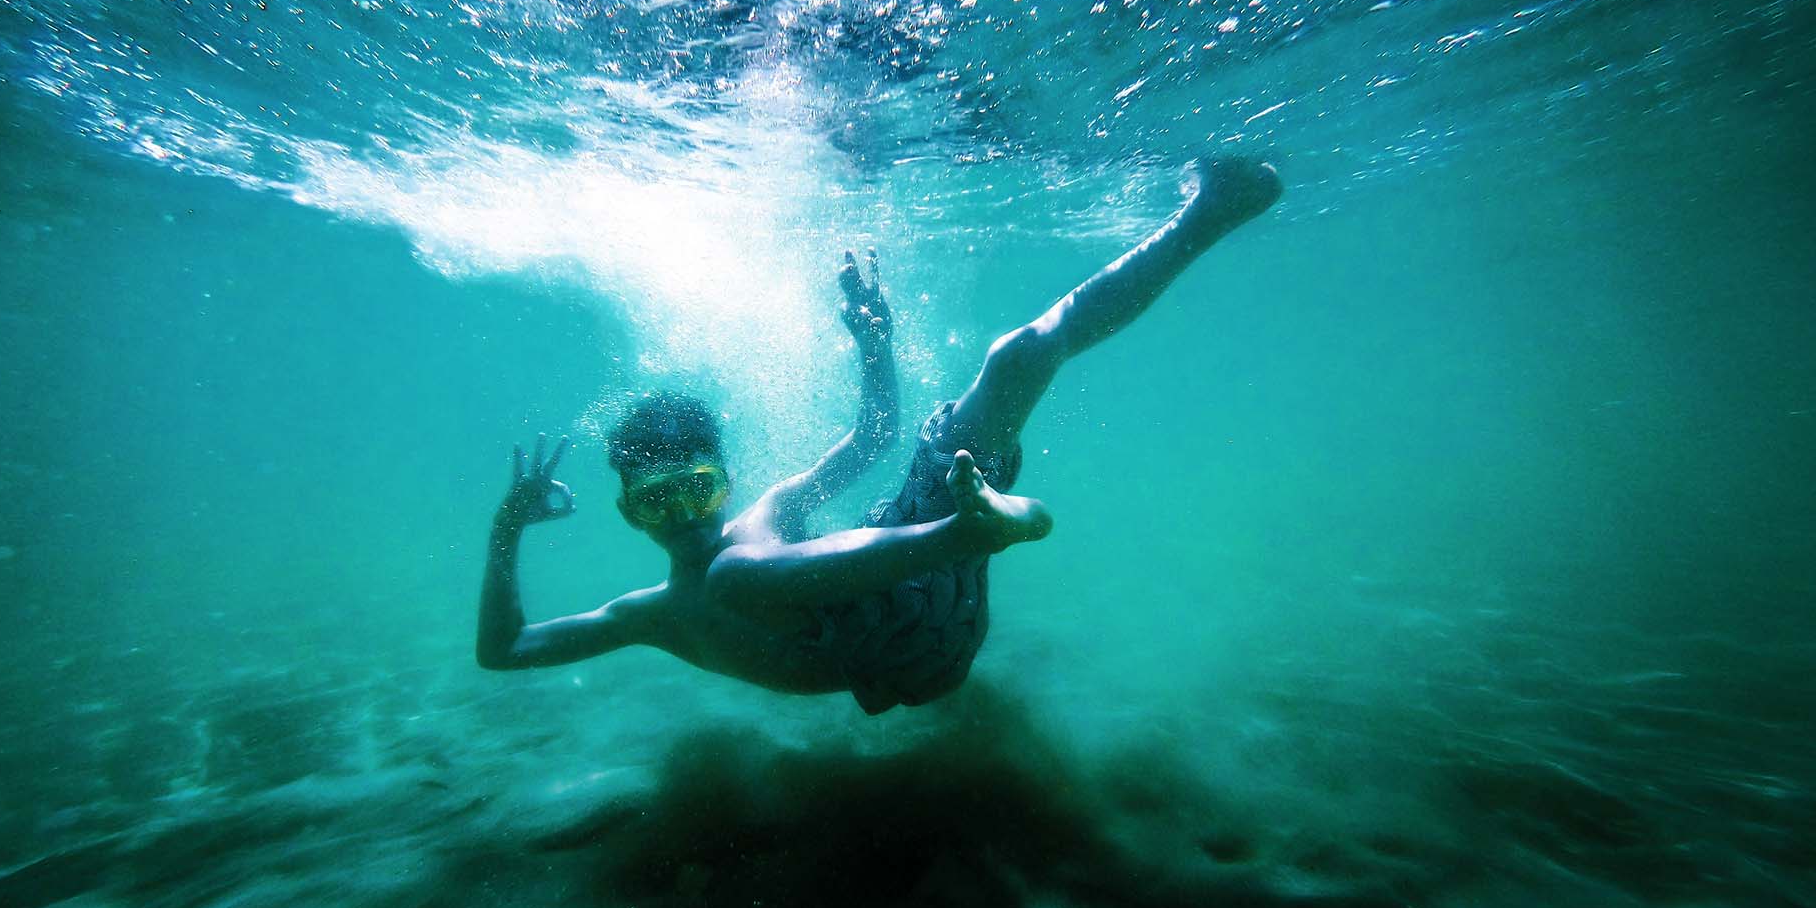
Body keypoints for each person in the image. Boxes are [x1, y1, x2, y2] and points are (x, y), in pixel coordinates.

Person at [477, 157, 1281, 713]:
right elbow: (504, 651)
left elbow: (873, 437)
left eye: (697, 487)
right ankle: (989, 525)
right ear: (629, 514)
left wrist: (874, 343)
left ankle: (1214, 210)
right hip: (927, 627)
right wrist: (507, 531)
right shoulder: (651, 614)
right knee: (731, 580)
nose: (685, 514)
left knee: (1017, 358)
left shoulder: (764, 517)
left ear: (725, 480)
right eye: (658, 501)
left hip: (935, 563)